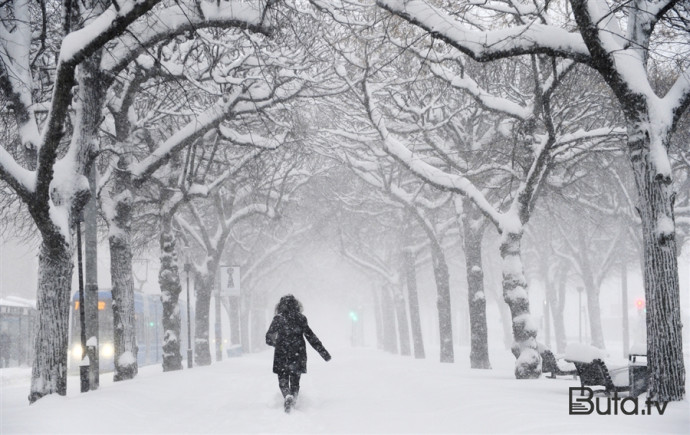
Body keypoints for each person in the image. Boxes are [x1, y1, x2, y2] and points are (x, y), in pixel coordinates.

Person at [265, 294, 331, 412]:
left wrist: (277, 343)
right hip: (297, 353)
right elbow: (311, 337)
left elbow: (268, 338)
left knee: (283, 379)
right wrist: (323, 353)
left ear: (280, 306)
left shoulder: (278, 319)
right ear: (296, 305)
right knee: (295, 380)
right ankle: (293, 399)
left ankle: (287, 396)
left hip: (282, 354)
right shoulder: (301, 318)